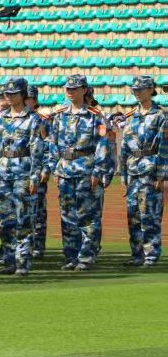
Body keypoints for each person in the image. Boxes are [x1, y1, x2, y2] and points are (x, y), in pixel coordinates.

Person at [0, 77, 46, 276]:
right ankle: (9, 261)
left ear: (23, 95)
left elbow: (38, 151)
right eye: (7, 93)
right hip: (2, 173)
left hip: (23, 173)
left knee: (23, 219)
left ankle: (23, 263)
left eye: (14, 93)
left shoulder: (33, 119)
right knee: (5, 220)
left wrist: (34, 177)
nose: (9, 97)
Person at [51, 72, 114, 270]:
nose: (70, 92)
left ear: (84, 90)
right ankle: (71, 256)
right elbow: (53, 143)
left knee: (88, 216)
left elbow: (103, 145)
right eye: (68, 88)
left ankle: (87, 256)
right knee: (67, 216)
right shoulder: (59, 115)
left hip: (87, 170)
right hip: (65, 170)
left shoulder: (96, 116)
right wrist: (55, 168)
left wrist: (98, 171)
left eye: (75, 88)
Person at [118, 74, 166, 266]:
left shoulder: (161, 115)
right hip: (133, 171)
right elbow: (124, 147)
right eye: (135, 89)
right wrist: (123, 173)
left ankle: (151, 255)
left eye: (141, 89)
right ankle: (137, 255)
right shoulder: (132, 116)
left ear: (151, 90)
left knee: (150, 214)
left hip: (151, 170)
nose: (137, 92)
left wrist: (161, 174)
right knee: (134, 216)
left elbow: (164, 147)